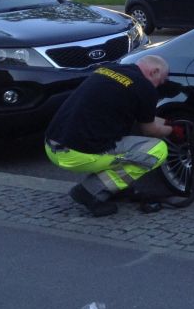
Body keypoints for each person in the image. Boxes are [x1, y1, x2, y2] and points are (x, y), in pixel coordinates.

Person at [44, 55, 181, 217]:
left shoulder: (109, 70)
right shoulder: (145, 87)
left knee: (120, 142)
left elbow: (146, 118)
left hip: (52, 145)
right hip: (77, 156)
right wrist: (173, 131)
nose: (159, 85)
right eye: (162, 80)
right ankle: (89, 191)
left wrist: (168, 122)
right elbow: (150, 130)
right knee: (157, 150)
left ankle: (113, 187)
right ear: (154, 71)